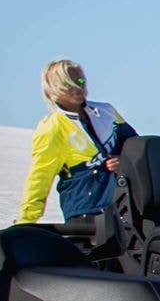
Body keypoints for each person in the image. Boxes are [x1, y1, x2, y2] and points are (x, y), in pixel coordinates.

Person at [17, 59, 137, 224]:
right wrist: (26, 220)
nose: (78, 88)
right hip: (85, 210)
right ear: (53, 89)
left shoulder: (106, 111)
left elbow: (136, 145)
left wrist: (124, 161)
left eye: (80, 81)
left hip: (124, 203)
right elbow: (40, 176)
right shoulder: (52, 127)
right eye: (69, 84)